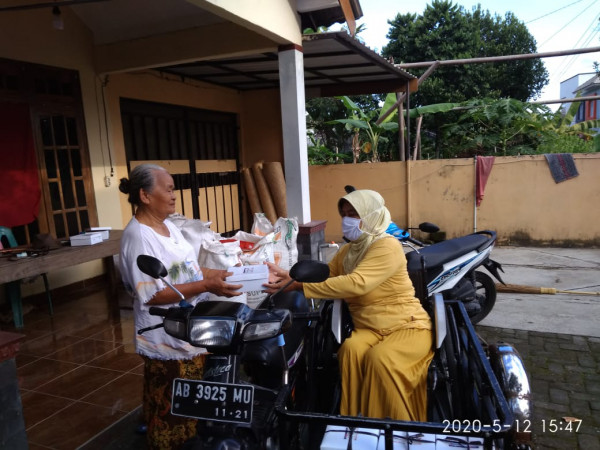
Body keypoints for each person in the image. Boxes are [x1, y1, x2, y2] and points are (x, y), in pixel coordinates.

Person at [264, 189, 433, 421]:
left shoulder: (388, 246)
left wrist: (299, 288)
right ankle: (353, 422)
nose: (347, 220)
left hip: (406, 326)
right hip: (369, 329)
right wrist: (289, 277)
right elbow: (325, 276)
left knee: (381, 359)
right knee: (349, 352)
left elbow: (357, 283)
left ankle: (400, 428)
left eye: (353, 214)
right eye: (344, 214)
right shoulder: (346, 252)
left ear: (372, 215)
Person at [118, 163, 242, 449]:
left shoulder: (168, 226)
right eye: (169, 189)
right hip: (164, 332)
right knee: (172, 406)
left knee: (180, 396)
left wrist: (220, 274)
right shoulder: (139, 236)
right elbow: (152, 295)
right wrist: (207, 286)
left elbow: (188, 269)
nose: (175, 195)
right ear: (145, 196)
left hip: (188, 325)